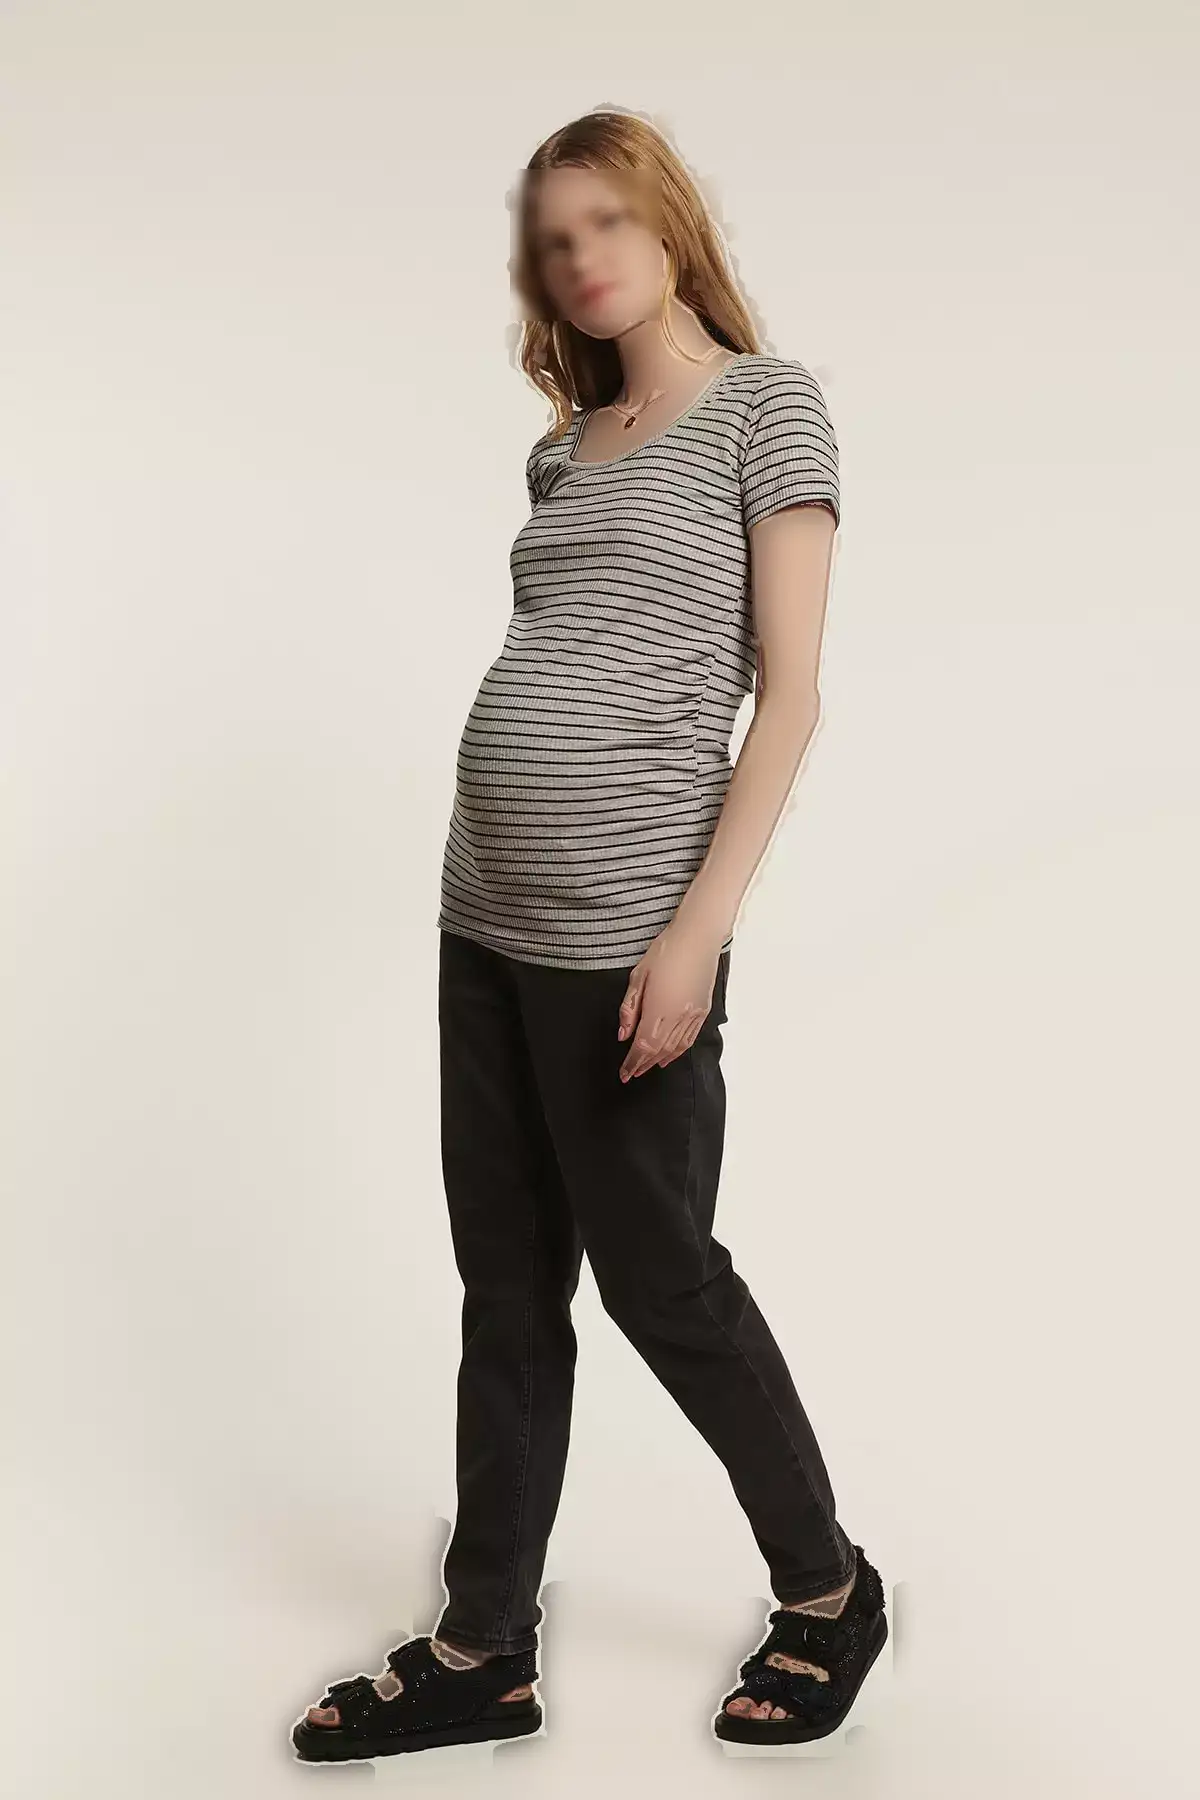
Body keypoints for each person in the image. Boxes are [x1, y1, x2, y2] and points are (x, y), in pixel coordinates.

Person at [292, 107, 887, 1766]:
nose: (581, 258)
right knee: (506, 1291)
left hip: (628, 938)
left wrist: (695, 938)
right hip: (483, 917)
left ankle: (830, 1590)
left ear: (669, 223)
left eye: (606, 220)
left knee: (664, 1283)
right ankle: (485, 1644)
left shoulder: (767, 407)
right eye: (554, 240)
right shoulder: (566, 449)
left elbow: (790, 698)